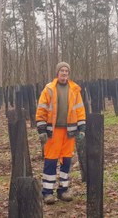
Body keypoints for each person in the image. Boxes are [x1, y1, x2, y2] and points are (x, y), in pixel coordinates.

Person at [36, 62, 86, 204]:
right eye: (62, 71)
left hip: (69, 131)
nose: (64, 73)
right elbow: (41, 110)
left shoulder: (74, 89)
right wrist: (41, 129)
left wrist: (82, 128)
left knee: (67, 161)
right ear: (57, 73)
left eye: (66, 71)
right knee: (50, 160)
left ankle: (63, 190)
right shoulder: (49, 89)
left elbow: (80, 109)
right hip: (54, 131)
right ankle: (47, 192)